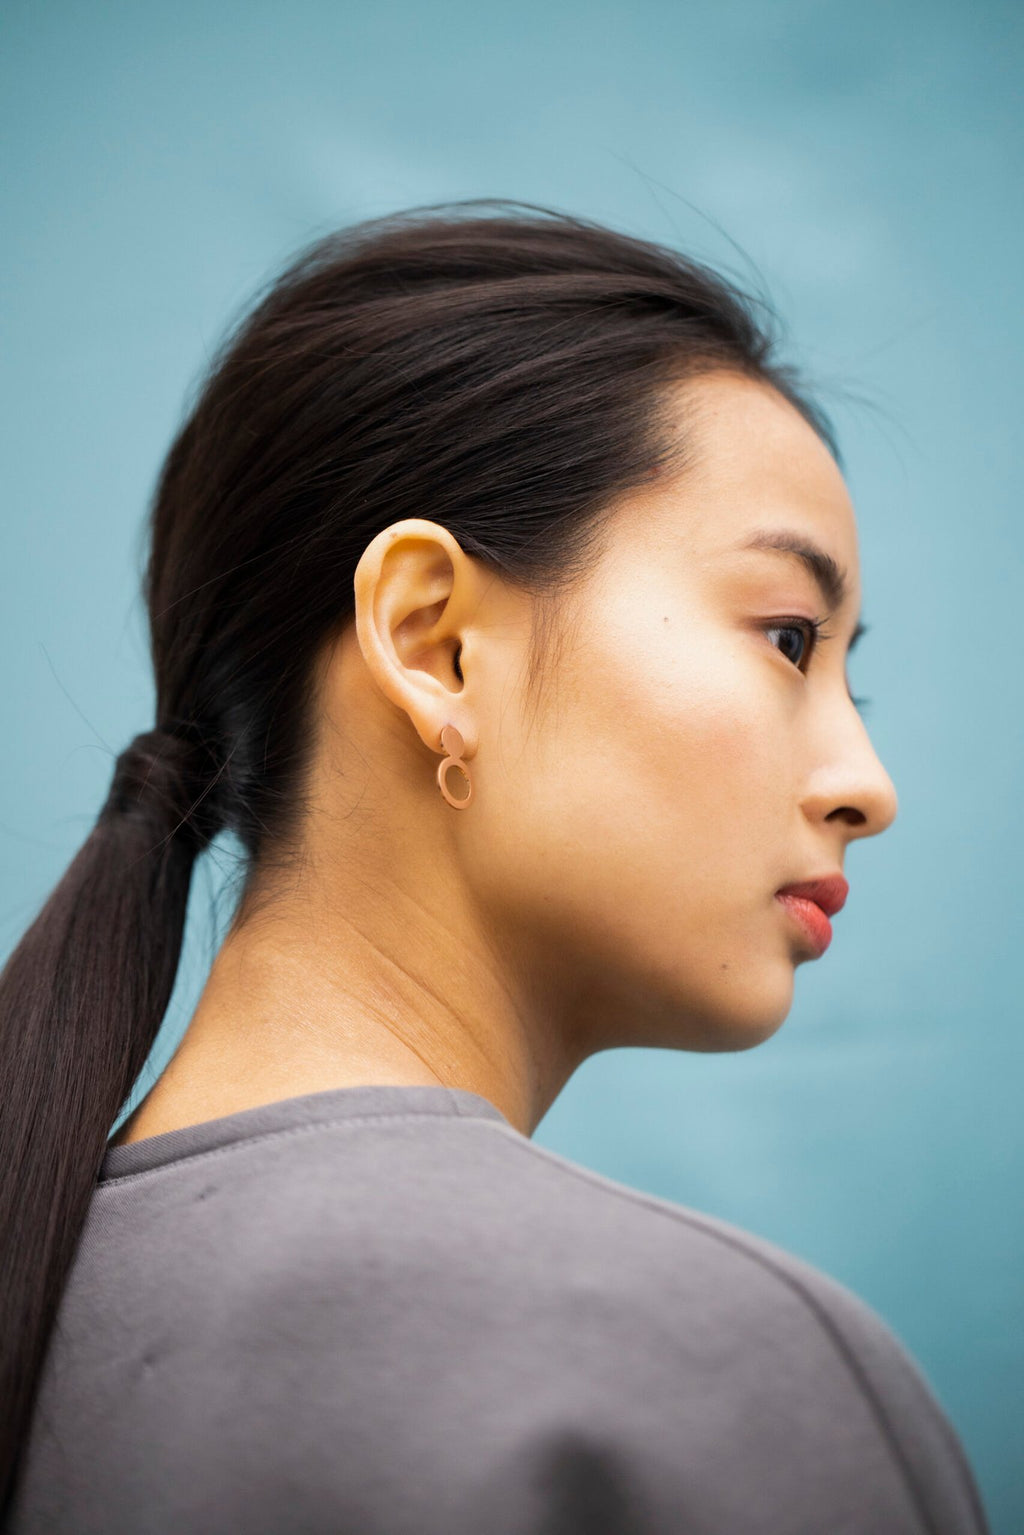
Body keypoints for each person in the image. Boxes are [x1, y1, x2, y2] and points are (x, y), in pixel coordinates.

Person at [1, 202, 989, 1534]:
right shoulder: (699, 1366)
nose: (865, 787)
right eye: (793, 638)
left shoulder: (40, 1293)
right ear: (434, 645)